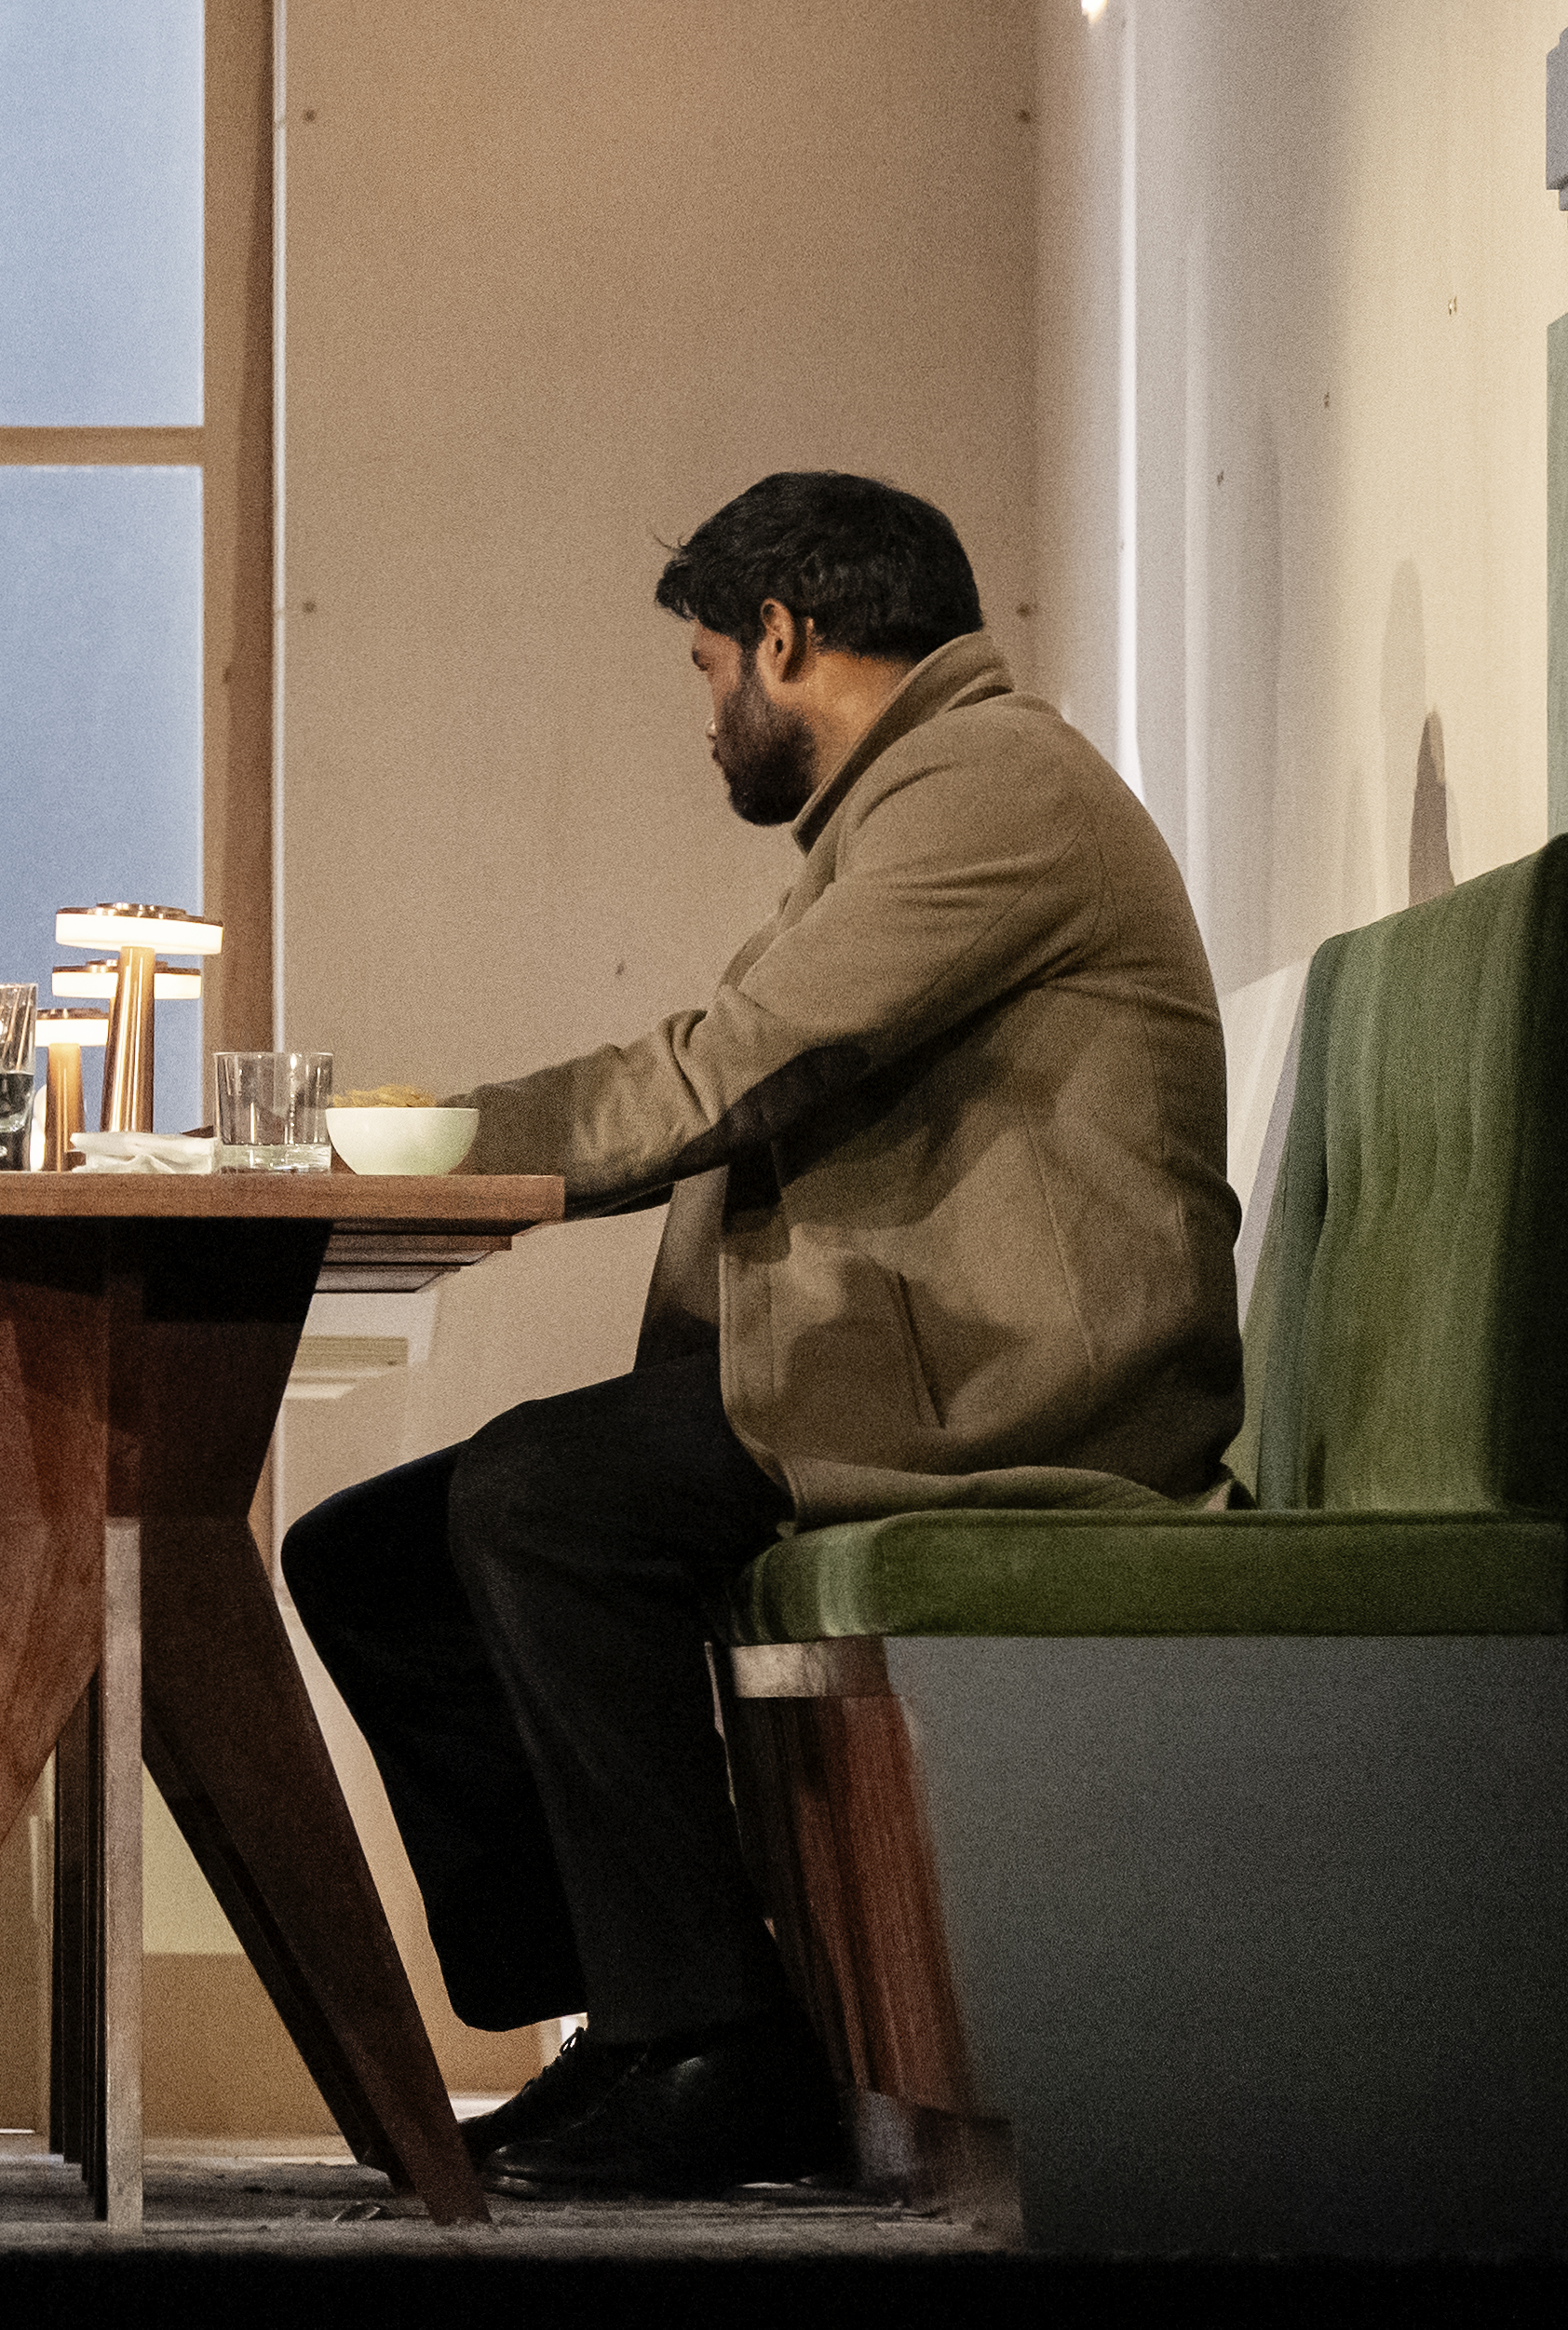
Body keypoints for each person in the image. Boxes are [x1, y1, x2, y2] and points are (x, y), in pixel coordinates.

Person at [286, 472, 1234, 2205]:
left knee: (540, 1500)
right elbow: (737, 1063)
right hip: (919, 1355)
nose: (704, 718)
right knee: (370, 1555)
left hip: (1025, 1382)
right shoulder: (916, 803)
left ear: (782, 642)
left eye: (706, 667)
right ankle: (632, 2030)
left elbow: (722, 1070)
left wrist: (396, 1147)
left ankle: (719, 2050)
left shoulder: (987, 789)